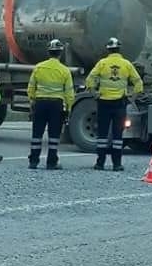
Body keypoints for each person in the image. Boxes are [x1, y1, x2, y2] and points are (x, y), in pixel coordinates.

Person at [85, 37, 144, 171]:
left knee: (102, 135)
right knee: (118, 135)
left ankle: (100, 163)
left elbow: (90, 79)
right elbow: (138, 83)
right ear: (119, 49)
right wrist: (132, 98)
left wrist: (94, 93)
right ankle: (117, 164)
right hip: (120, 104)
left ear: (108, 49)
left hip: (104, 103)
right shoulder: (126, 64)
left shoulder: (102, 63)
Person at [27, 39, 75, 170]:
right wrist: (69, 108)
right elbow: (69, 93)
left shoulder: (39, 67)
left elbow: (31, 87)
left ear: (48, 52)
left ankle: (33, 161)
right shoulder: (64, 71)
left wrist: (32, 101)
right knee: (54, 135)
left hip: (40, 103)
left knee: (37, 134)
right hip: (56, 105)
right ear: (60, 53)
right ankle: (51, 162)